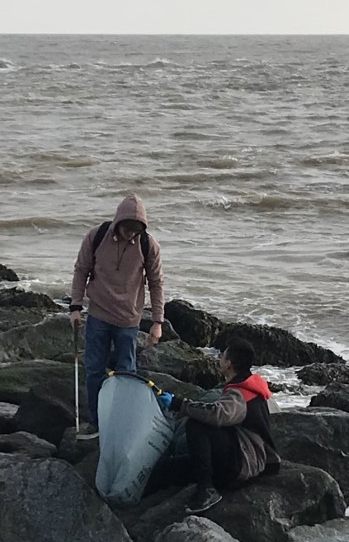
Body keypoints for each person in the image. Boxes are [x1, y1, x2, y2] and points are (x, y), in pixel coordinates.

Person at [69, 193, 166, 434]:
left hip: (129, 320)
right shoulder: (97, 236)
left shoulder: (148, 244)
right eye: (128, 227)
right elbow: (81, 271)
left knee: (127, 374)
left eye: (136, 229)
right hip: (98, 315)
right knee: (94, 370)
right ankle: (96, 421)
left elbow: (156, 283)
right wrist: (75, 307)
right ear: (118, 221)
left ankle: (123, 424)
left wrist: (157, 321)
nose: (131, 233)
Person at [174, 338, 280, 513]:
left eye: (222, 356)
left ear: (229, 364)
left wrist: (181, 405)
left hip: (246, 463)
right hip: (250, 455)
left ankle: (207, 489)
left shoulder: (240, 394)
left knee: (196, 425)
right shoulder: (252, 385)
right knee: (175, 467)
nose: (219, 360)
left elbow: (217, 415)